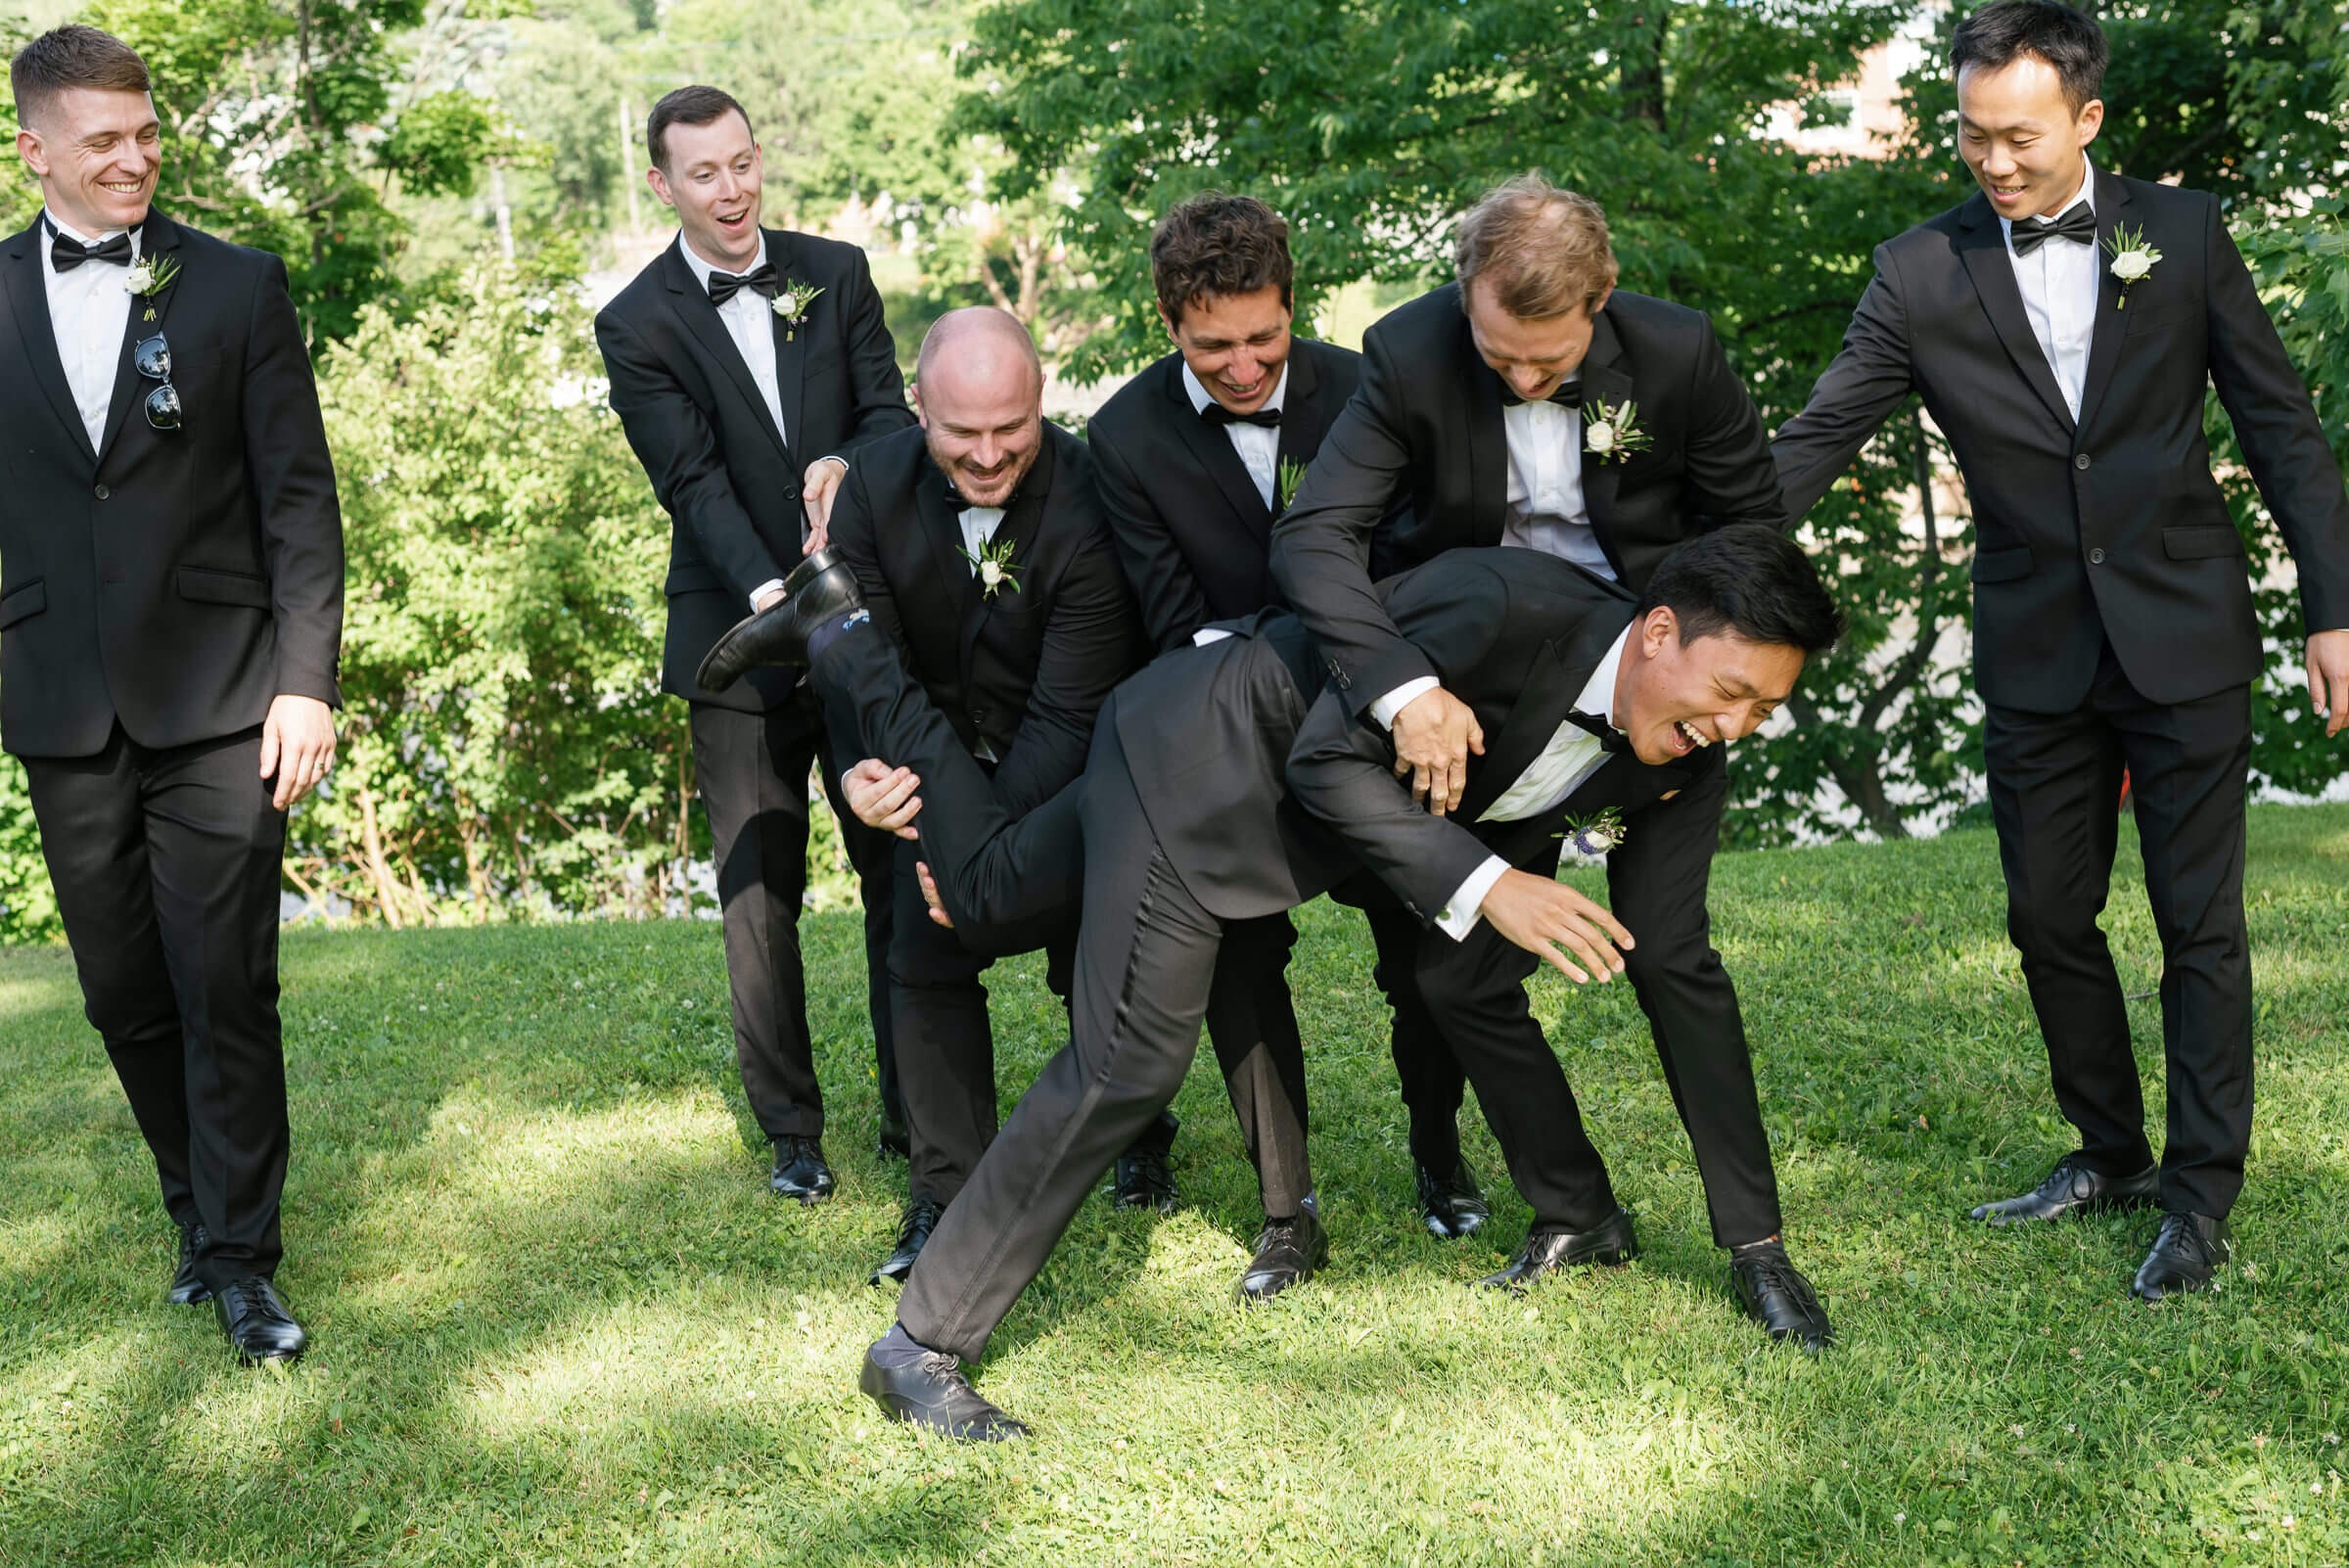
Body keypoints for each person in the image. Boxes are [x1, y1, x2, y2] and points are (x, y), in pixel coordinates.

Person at [702, 525, 1844, 1441]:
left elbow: (1681, 971)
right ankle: (919, 1348)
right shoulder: (1504, 608)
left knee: (994, 891)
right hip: (1205, 767)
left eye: (1763, 711)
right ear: (1657, 633)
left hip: (1263, 812)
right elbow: (1321, 754)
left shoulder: (1684, 762)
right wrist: (1491, 884)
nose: (1734, 727)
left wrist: (1758, 1246)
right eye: (1731, 690)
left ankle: (836, 624)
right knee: (1128, 1065)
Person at [1772, 0, 2349, 1302]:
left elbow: (2283, 428)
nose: (1992, 163)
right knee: (2045, 915)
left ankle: (2199, 1200)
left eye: (2017, 137)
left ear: (2086, 120)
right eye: (1972, 137)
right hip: (2034, 643)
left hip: (2186, 629)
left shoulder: (2186, 237)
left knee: (2201, 927)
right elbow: (1820, 435)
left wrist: (2333, 606)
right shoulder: (1920, 270)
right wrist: (1701, 564)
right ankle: (2108, 1149)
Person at [1268, 173, 1793, 1240]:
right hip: (1479, 694)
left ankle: (1755, 1241)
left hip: (1649, 690)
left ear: (1600, 301)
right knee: (1456, 979)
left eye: (1543, 363)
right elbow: (1315, 533)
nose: (1514, 374)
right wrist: (1405, 687)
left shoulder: (1676, 356)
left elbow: (1753, 538)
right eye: (1495, 351)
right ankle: (1576, 1213)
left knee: (1672, 953)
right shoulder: (1410, 353)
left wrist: (1692, 667)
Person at [1, 25, 343, 1362]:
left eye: (147, 134)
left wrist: (304, 681)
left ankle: (244, 1257)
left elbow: (300, 497)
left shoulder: (239, 286)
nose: (136, 157)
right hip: (56, 700)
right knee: (123, 993)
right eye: (105, 141)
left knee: (224, 982)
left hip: (221, 692)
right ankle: (192, 1207)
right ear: (36, 150)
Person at [594, 84, 909, 1203]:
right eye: (704, 174)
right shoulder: (632, 323)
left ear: (758, 156)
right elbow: (690, 481)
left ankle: (917, 1109)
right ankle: (792, 1134)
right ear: (662, 184)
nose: (731, 192)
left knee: (894, 867)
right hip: (735, 633)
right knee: (759, 892)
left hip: (862, 618)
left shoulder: (839, 270)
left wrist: (850, 470)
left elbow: (888, 418)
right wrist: (779, 589)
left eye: (743, 165)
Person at [814, 306, 1146, 1285]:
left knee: (1095, 932)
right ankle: (945, 1195)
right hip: (926, 762)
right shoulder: (869, 490)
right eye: (965, 434)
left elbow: (1070, 708)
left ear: (1042, 403)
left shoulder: (1091, 495)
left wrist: (989, 863)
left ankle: (1138, 1133)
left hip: (1068, 767)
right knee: (922, 943)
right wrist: (852, 773)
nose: (993, 454)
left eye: (1014, 427)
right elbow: (861, 668)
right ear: (918, 408)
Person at [1081, 192, 1370, 1294]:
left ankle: (1447, 1163)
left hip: (1373, 721)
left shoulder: (1361, 390)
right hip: (1225, 741)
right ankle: (1286, 1214)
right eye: (1213, 349)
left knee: (1436, 946)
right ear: (1167, 324)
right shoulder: (1122, 436)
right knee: (1237, 959)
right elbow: (1169, 628)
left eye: (1264, 339)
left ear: (1293, 307)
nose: (1244, 368)